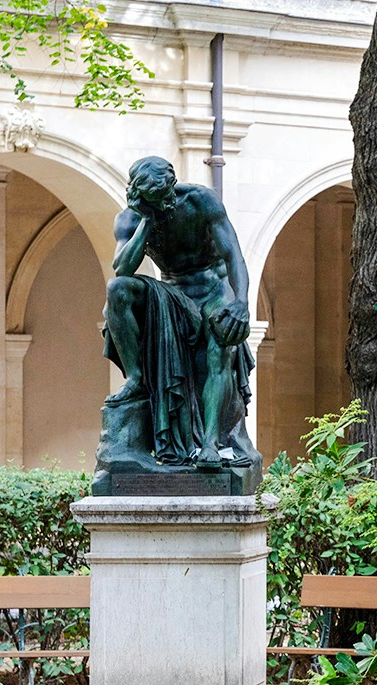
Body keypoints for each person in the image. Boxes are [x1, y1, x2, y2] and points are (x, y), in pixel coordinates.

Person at [102, 156, 254, 467]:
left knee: (220, 340)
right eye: (159, 200)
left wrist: (241, 302)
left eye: (169, 193)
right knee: (117, 290)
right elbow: (123, 269)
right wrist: (147, 219)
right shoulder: (131, 219)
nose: (168, 203)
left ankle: (211, 443)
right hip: (173, 296)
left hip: (214, 289)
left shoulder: (200, 201)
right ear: (141, 197)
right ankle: (136, 378)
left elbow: (233, 254)